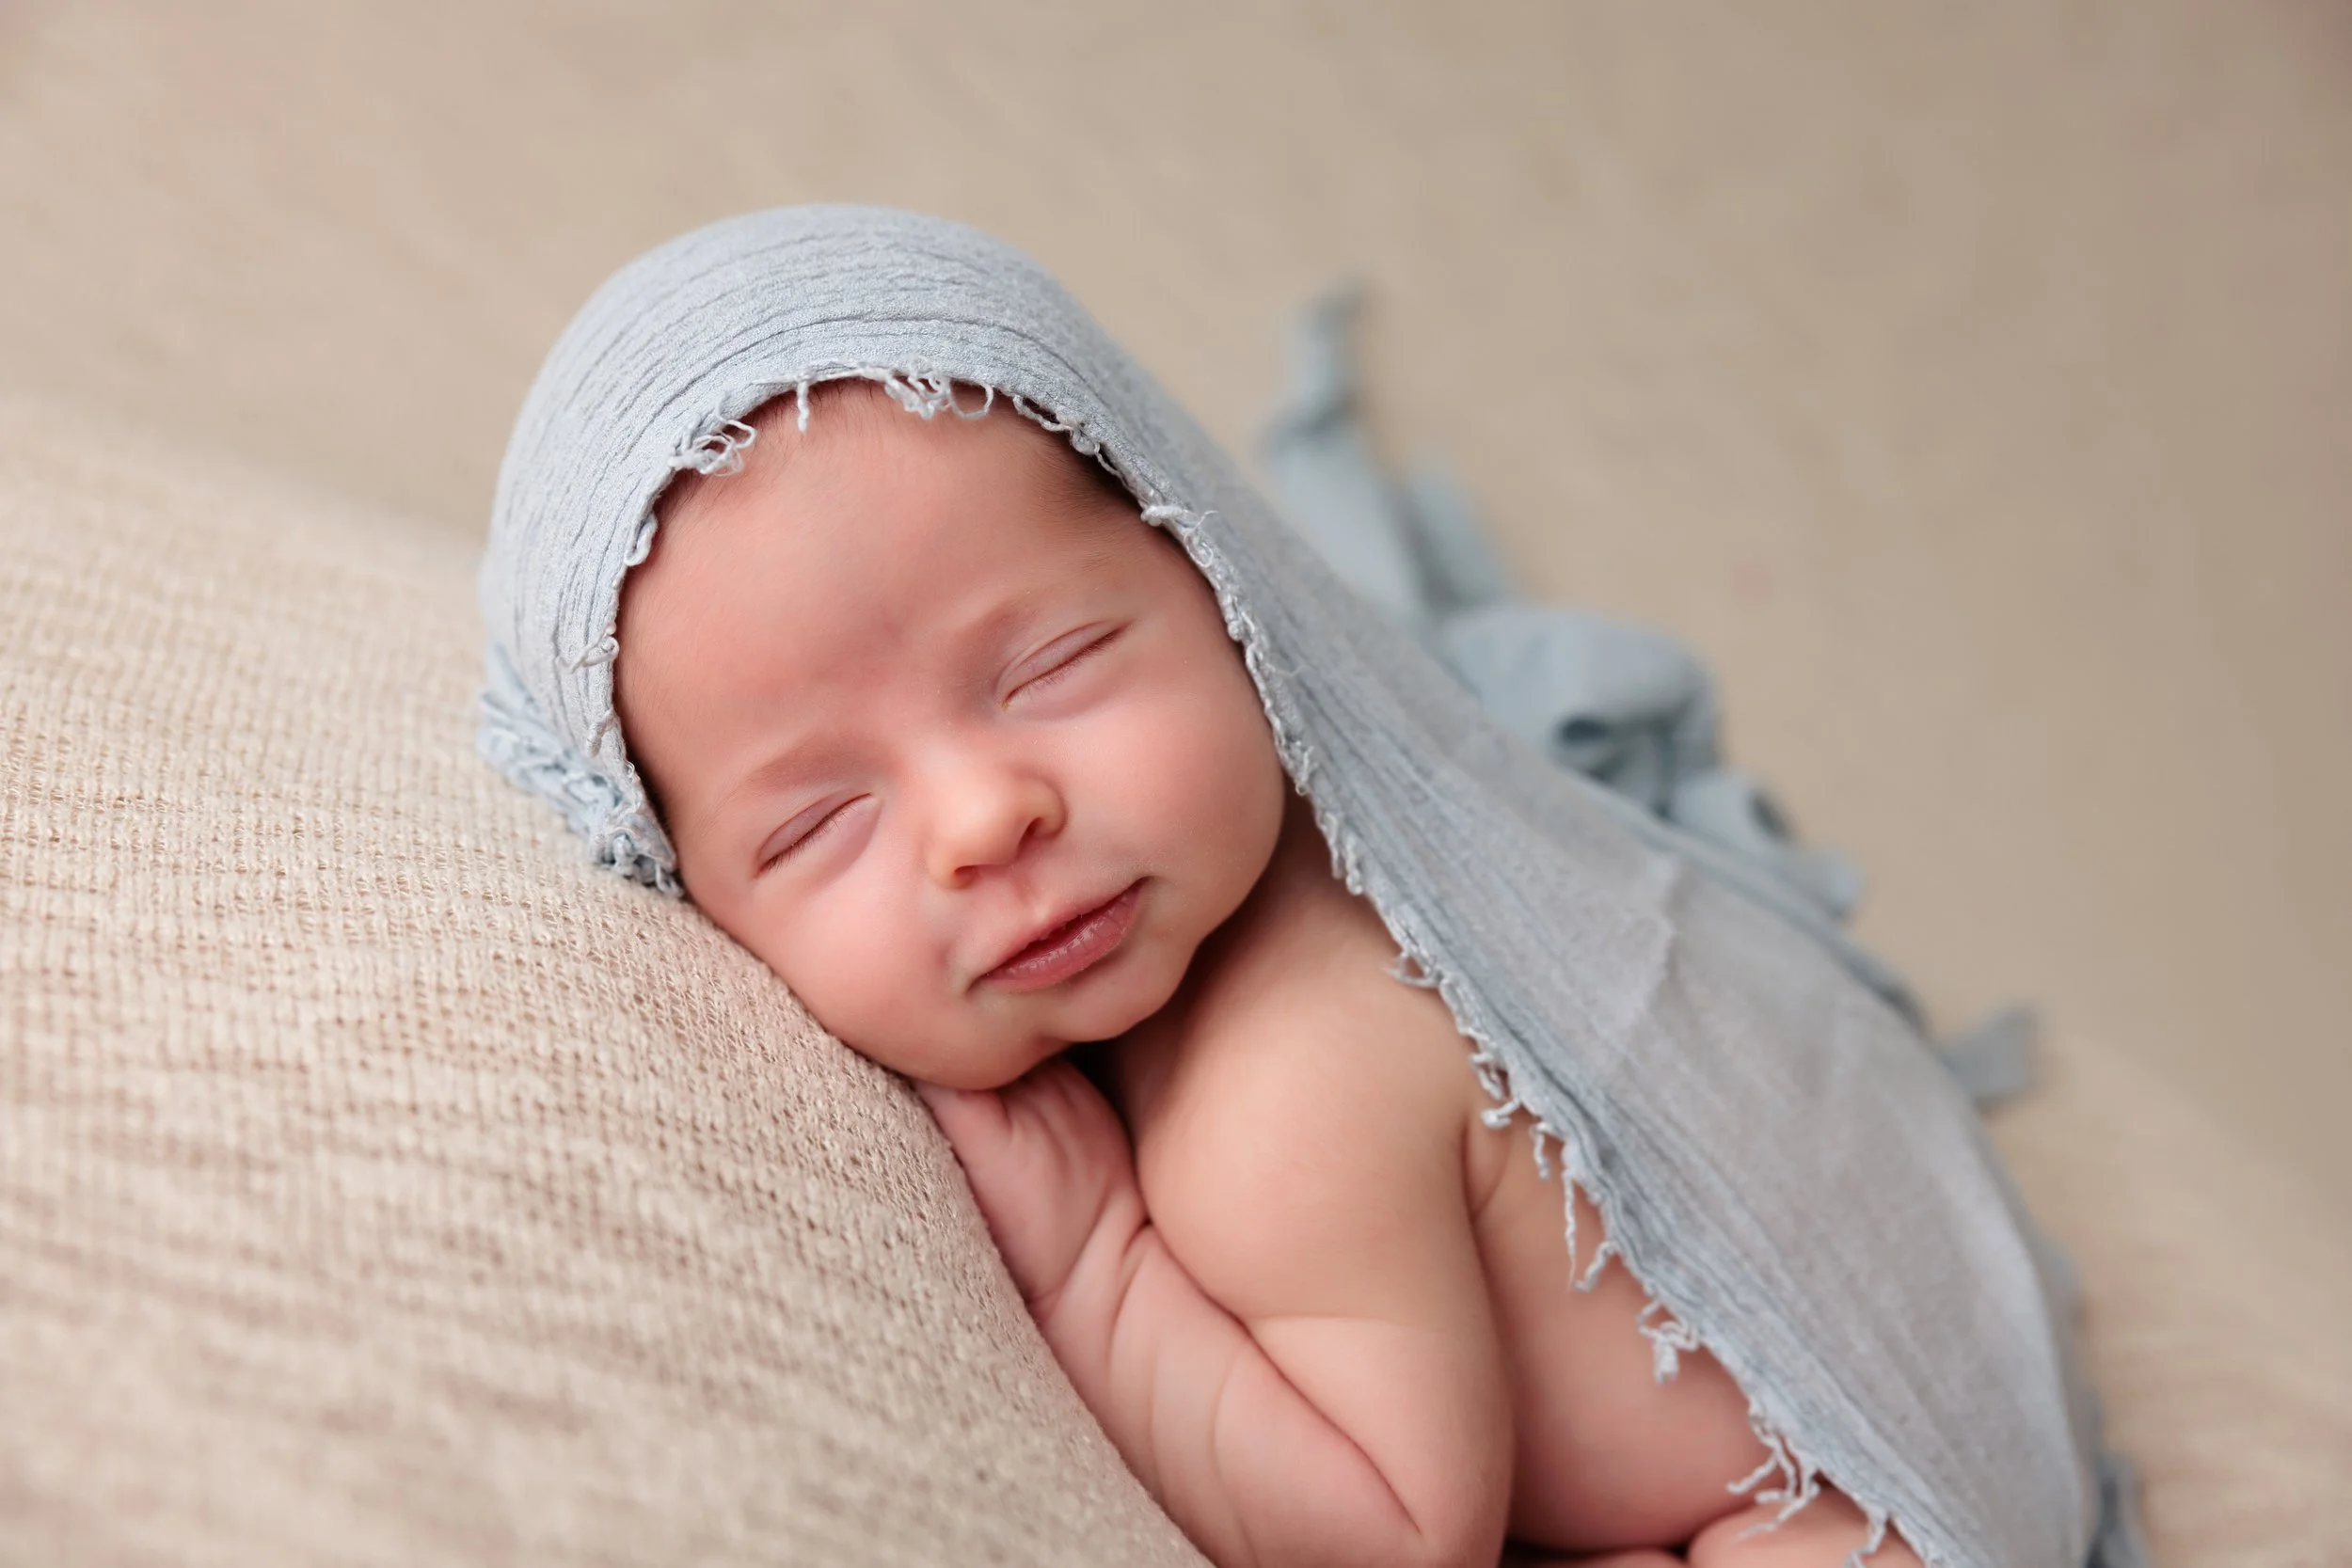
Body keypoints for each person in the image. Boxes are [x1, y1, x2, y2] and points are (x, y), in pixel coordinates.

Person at [477, 205, 2122, 1568]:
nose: (988, 815)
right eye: (820, 822)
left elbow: (1394, 1535)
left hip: (1855, 1515)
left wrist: (1096, 1267)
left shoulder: (1285, 1090)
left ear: (1224, 580)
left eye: (1051, 664)